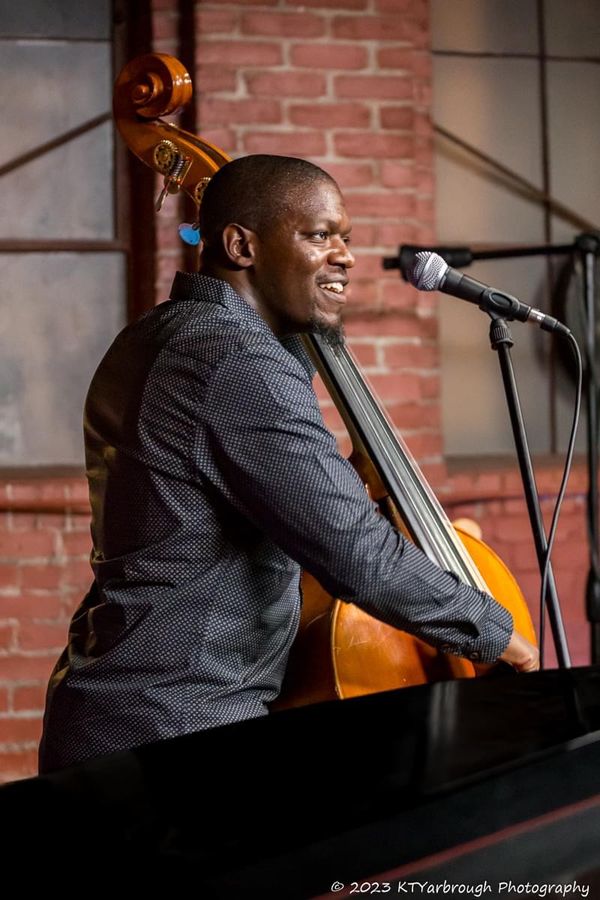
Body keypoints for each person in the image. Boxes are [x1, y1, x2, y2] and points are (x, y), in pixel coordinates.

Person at [38, 154, 538, 773]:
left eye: (346, 238)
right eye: (319, 235)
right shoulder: (234, 359)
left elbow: (232, 504)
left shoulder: (161, 333)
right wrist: (497, 634)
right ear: (240, 246)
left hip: (123, 710)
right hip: (175, 726)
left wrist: (350, 479)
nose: (345, 256)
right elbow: (357, 552)